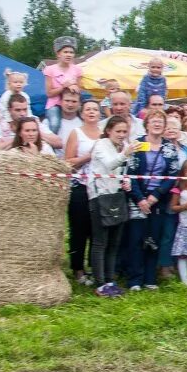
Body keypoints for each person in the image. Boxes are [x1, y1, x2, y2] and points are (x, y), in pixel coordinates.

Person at [123, 110, 181, 291]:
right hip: (137, 198)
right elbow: (130, 173)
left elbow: (172, 176)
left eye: (160, 122)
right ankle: (135, 280)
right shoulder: (138, 145)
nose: (157, 124)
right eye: (153, 121)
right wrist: (140, 199)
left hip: (158, 199)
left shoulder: (169, 148)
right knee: (136, 239)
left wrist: (155, 196)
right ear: (146, 124)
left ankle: (150, 278)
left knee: (154, 239)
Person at [88, 115, 136, 297]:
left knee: (114, 242)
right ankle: (100, 283)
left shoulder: (123, 147)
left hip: (116, 196)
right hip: (99, 196)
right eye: (118, 131)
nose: (122, 135)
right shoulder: (101, 145)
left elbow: (122, 171)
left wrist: (126, 182)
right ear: (108, 131)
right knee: (101, 242)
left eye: (125, 131)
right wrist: (126, 153)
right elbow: (109, 164)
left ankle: (110, 280)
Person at [64, 98, 103, 286]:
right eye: (88, 109)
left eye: (95, 109)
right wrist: (88, 156)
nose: (91, 112)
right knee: (79, 230)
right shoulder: (76, 133)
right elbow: (68, 162)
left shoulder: (104, 134)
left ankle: (95, 268)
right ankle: (78, 269)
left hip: (100, 188)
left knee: (96, 231)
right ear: (82, 113)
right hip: (80, 186)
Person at [44, 36, 82, 130]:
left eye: (71, 52)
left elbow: (79, 89)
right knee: (55, 124)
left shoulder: (77, 70)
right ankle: (52, 144)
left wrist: (74, 87)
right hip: (55, 104)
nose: (69, 55)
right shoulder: (50, 70)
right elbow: (49, 93)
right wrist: (63, 87)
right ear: (58, 54)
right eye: (65, 52)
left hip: (72, 103)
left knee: (88, 116)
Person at [40, 88, 82, 158]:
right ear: (60, 101)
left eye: (74, 101)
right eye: (67, 101)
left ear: (79, 104)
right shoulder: (48, 123)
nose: (70, 104)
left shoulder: (83, 124)